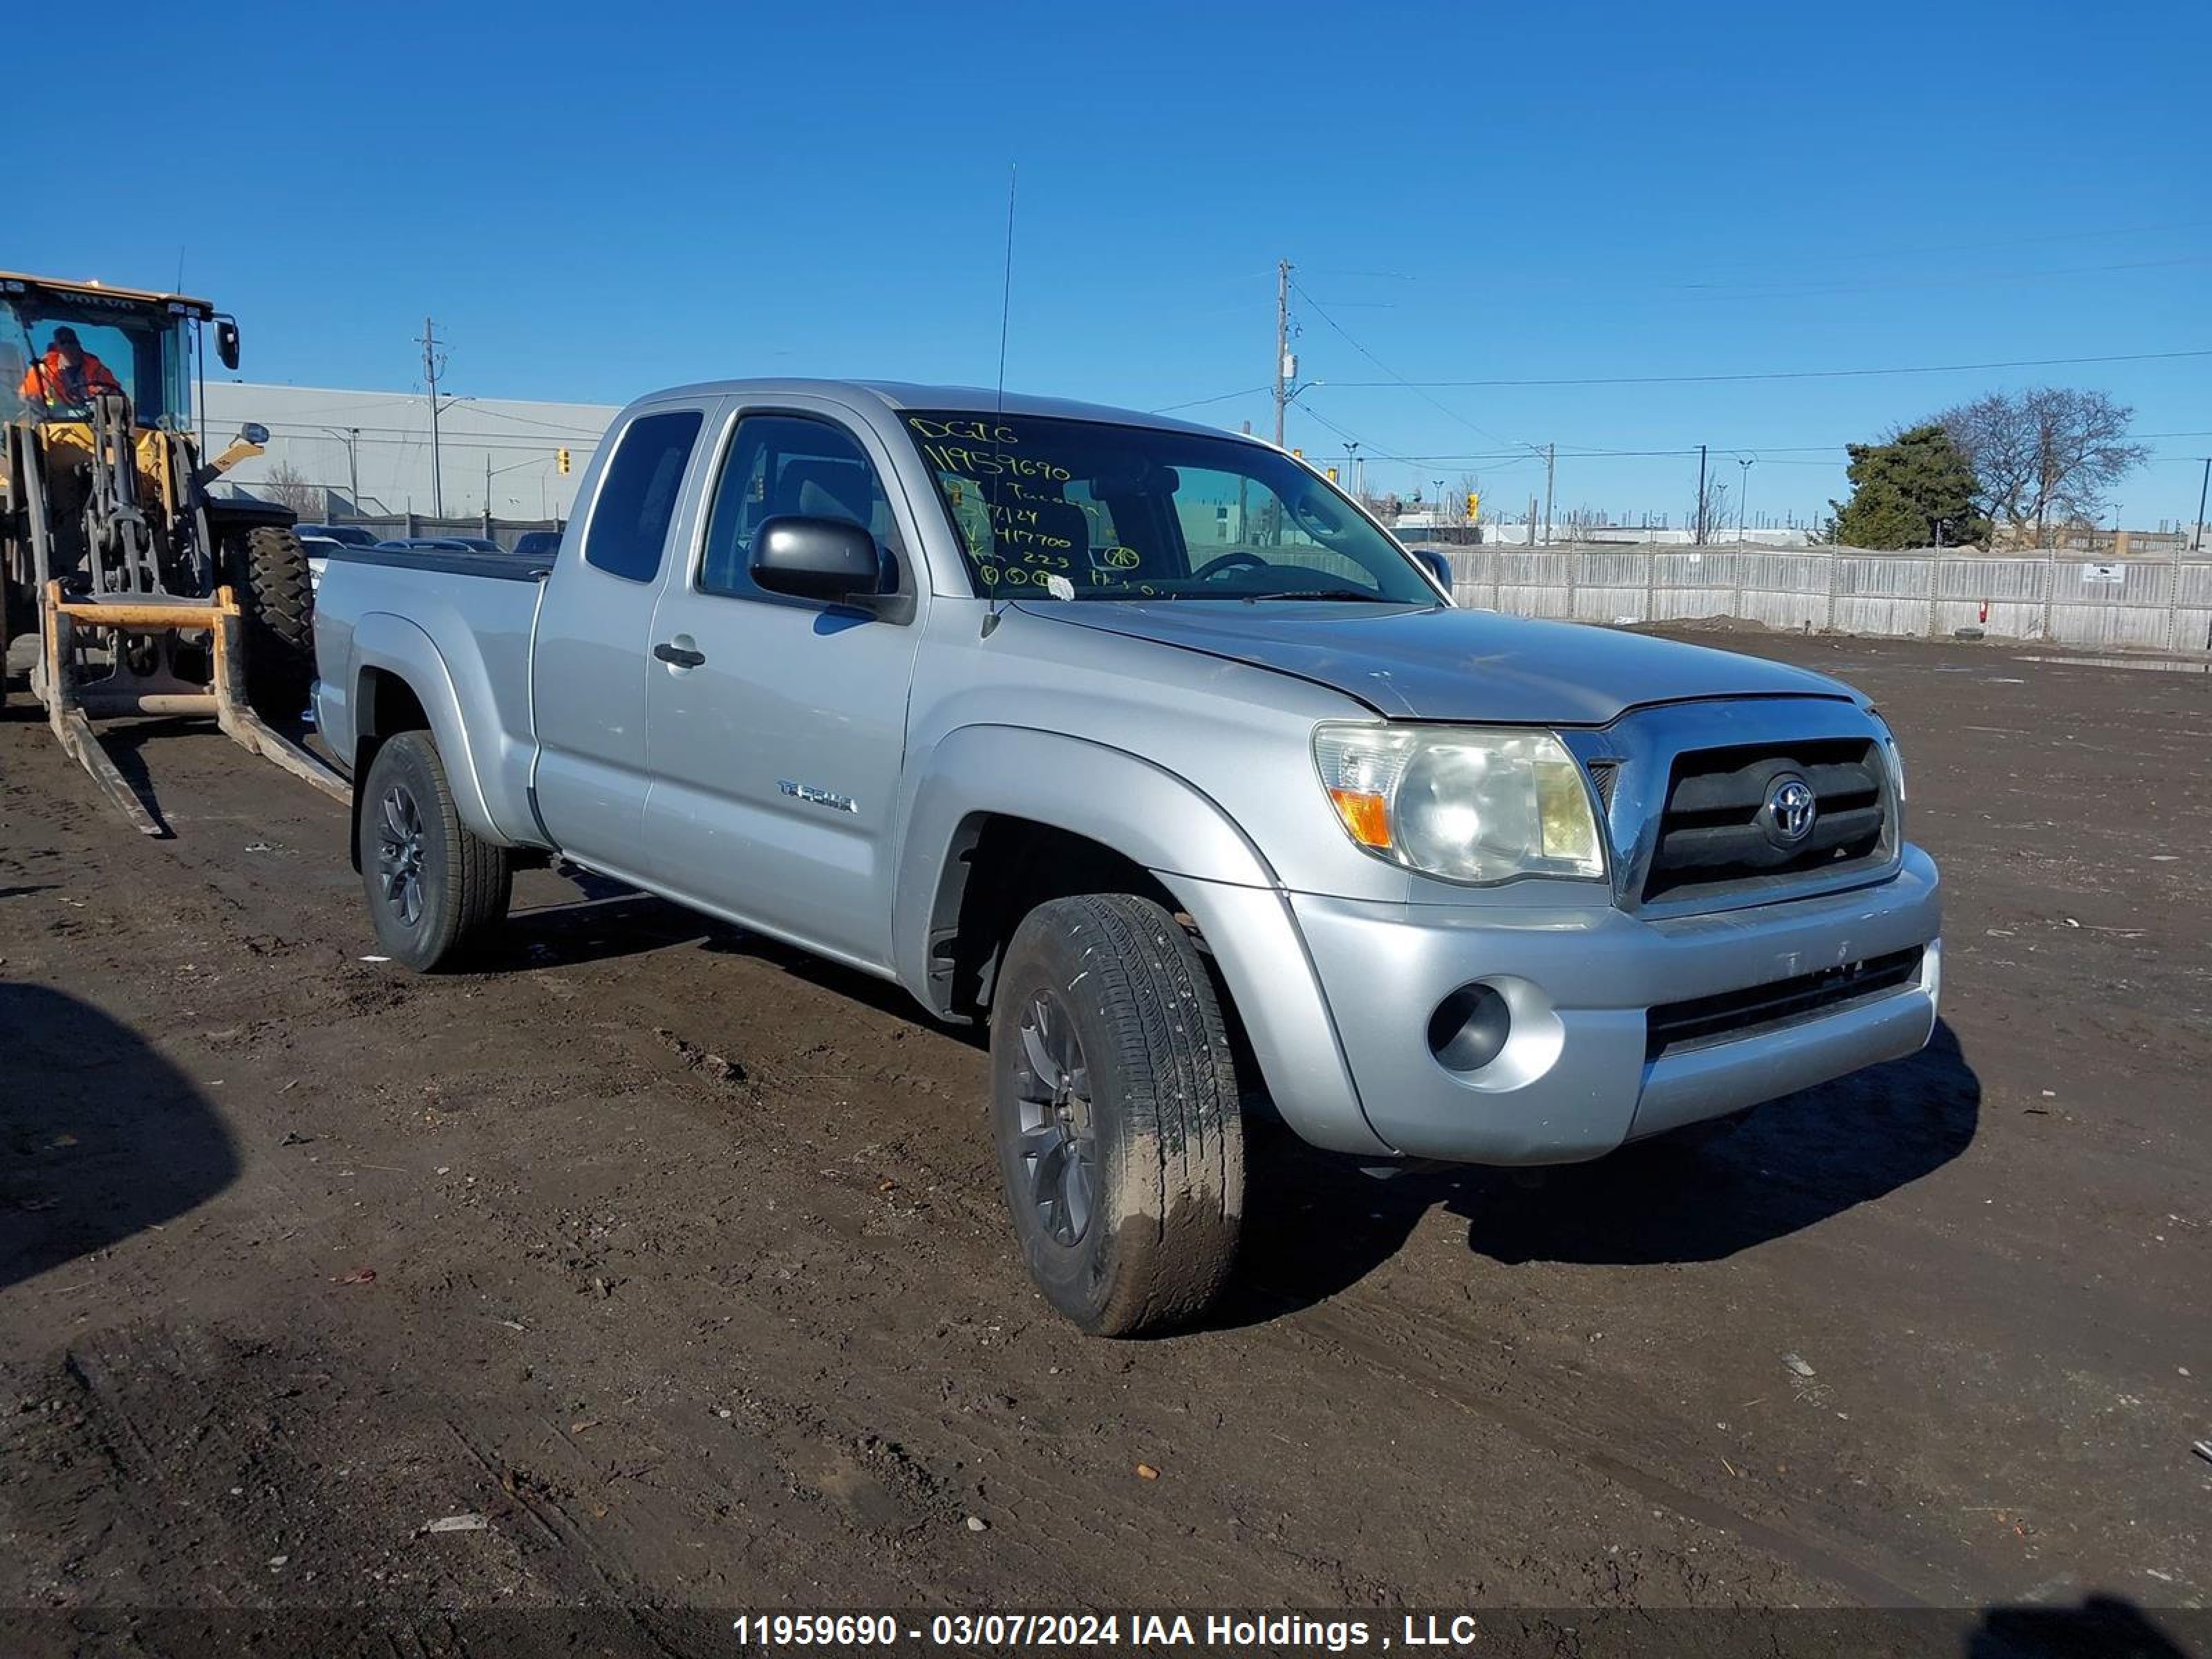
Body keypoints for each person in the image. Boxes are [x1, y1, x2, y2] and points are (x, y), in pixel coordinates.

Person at [18, 326, 122, 409]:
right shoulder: (42, 370)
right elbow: (25, 397)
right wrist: (44, 401)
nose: (67, 346)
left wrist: (106, 393)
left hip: (95, 424)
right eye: (63, 342)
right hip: (55, 425)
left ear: (78, 344)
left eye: (71, 342)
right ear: (57, 346)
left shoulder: (98, 370)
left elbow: (117, 394)